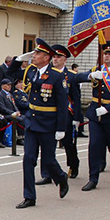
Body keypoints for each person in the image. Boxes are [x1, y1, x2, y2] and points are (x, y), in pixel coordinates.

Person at [16, 39, 69, 208]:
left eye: (38, 53)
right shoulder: (32, 72)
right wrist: (18, 60)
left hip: (48, 124)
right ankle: (29, 196)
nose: (34, 56)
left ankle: (61, 177)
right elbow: (11, 74)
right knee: (28, 159)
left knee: (48, 161)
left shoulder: (57, 76)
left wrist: (61, 128)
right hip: (32, 122)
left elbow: (62, 106)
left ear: (47, 57)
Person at [74, 41, 110, 191]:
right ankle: (93, 178)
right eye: (105, 53)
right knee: (94, 145)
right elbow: (76, 78)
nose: (106, 56)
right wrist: (91, 75)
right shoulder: (97, 70)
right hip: (95, 114)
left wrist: (108, 109)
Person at [50, 44, 81, 180]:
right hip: (50, 113)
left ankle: (73, 164)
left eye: (59, 57)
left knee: (68, 142)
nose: (55, 59)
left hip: (67, 113)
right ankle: (48, 172)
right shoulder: (48, 73)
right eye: (54, 56)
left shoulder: (71, 76)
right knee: (49, 143)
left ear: (65, 59)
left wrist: (77, 117)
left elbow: (77, 98)